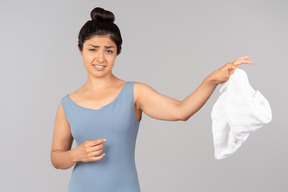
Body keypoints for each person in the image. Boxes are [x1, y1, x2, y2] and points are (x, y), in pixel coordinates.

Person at [50, 7, 254, 192]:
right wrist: (76, 154)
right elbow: (56, 157)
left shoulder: (134, 93)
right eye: (92, 49)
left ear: (117, 53)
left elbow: (181, 111)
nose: (101, 58)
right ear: (80, 50)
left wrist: (212, 80)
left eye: (109, 50)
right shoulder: (68, 104)